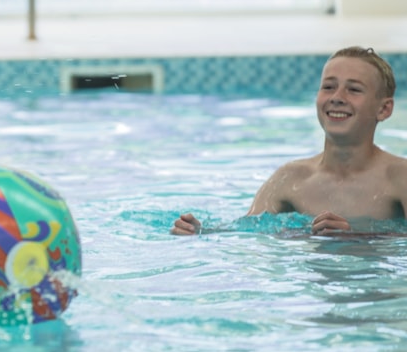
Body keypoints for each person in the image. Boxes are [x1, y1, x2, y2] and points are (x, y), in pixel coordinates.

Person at [172, 46, 407, 237]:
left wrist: (359, 238)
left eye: (354, 89)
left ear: (384, 109)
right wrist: (201, 232)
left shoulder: (399, 178)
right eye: (328, 87)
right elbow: (246, 232)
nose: (337, 98)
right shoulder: (291, 178)